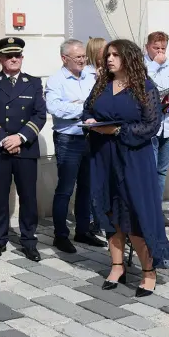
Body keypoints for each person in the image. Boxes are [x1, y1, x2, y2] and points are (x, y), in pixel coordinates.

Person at [84, 39, 169, 298]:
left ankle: (149, 272)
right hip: (103, 155)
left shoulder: (143, 87)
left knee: (135, 212)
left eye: (115, 55)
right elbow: (87, 110)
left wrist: (116, 129)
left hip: (134, 157)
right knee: (110, 209)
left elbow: (151, 125)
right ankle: (117, 265)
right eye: (108, 55)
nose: (109, 59)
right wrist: (90, 122)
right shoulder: (101, 84)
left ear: (129, 58)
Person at [0, 37, 47, 262]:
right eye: (9, 56)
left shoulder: (34, 83)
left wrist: (20, 138)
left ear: (22, 58)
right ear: (0, 59)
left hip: (25, 149)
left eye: (17, 55)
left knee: (28, 197)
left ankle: (28, 241)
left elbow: (39, 115)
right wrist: (3, 139)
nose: (14, 59)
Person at [45, 39, 105, 253]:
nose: (82, 60)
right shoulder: (55, 81)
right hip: (68, 140)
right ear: (64, 58)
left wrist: (78, 107)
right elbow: (55, 109)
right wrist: (84, 109)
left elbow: (100, 101)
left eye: (83, 56)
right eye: (78, 57)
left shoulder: (91, 76)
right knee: (65, 189)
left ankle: (82, 230)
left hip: (91, 138)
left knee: (87, 188)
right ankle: (60, 236)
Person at [144, 31, 169, 227]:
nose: (160, 52)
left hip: (168, 124)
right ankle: (147, 211)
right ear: (147, 48)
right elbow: (145, 85)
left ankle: (158, 210)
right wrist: (155, 64)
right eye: (156, 48)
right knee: (148, 171)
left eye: (163, 48)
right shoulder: (144, 66)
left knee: (161, 171)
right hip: (149, 125)